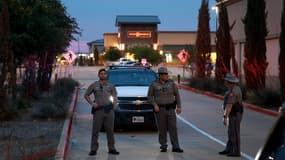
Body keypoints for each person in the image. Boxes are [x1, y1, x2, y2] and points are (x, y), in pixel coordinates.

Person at [147, 66, 184, 153]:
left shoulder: (172, 83)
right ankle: (163, 145)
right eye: (164, 74)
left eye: (167, 74)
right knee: (162, 129)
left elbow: (177, 95)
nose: (166, 76)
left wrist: (179, 106)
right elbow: (149, 96)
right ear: (160, 75)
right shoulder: (154, 84)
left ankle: (176, 146)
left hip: (170, 109)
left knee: (173, 128)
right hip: (160, 110)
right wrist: (154, 104)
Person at [84, 68, 119, 156]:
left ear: (107, 75)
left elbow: (115, 96)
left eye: (104, 74)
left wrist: (114, 105)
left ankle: (112, 148)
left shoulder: (111, 85)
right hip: (98, 111)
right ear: (98, 75)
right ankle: (93, 149)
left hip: (109, 110)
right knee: (95, 131)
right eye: (101, 74)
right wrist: (92, 103)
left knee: (110, 130)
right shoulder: (94, 85)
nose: (103, 75)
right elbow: (86, 95)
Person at [219, 73, 243, 157]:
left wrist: (225, 117)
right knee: (230, 132)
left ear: (229, 82)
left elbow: (229, 106)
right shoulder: (233, 89)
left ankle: (236, 152)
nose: (225, 82)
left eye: (226, 81)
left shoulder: (233, 92)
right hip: (233, 114)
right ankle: (229, 149)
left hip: (234, 114)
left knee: (234, 133)